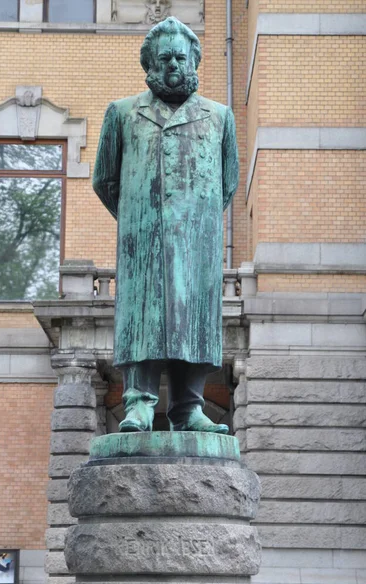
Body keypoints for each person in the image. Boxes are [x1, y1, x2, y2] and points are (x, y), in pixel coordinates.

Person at [93, 17, 239, 434]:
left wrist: (194, 222)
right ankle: (138, 405)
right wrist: (139, 220)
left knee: (192, 324)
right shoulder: (122, 113)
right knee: (144, 323)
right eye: (165, 58)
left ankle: (188, 409)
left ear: (194, 59)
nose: (173, 64)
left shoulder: (219, 117)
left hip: (197, 241)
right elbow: (105, 179)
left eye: (180, 56)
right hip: (143, 241)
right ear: (150, 65)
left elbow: (227, 184)